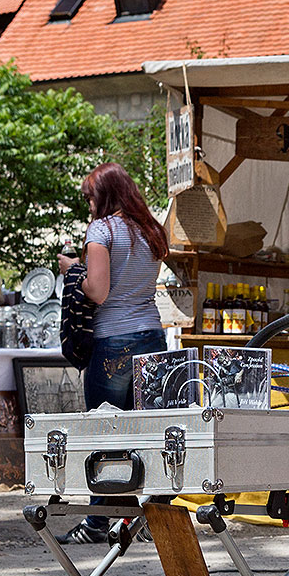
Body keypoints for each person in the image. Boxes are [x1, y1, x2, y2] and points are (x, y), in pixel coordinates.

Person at [57, 163, 170, 545]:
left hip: (112, 341)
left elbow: (98, 291)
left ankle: (97, 522)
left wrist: (74, 270)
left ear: (102, 195)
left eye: (90, 196)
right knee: (148, 431)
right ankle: (150, 518)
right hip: (152, 336)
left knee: (105, 431)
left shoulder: (101, 230)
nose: (89, 204)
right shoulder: (151, 230)